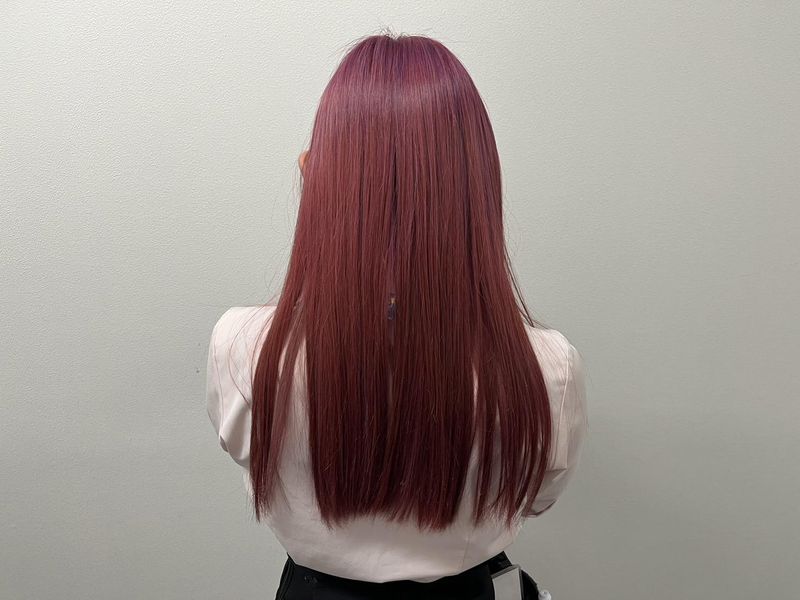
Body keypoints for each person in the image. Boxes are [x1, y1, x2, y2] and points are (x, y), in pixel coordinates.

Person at [206, 32, 588, 600]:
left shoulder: (244, 349)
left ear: (315, 178)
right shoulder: (547, 368)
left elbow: (252, 456)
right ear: (479, 188)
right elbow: (533, 496)